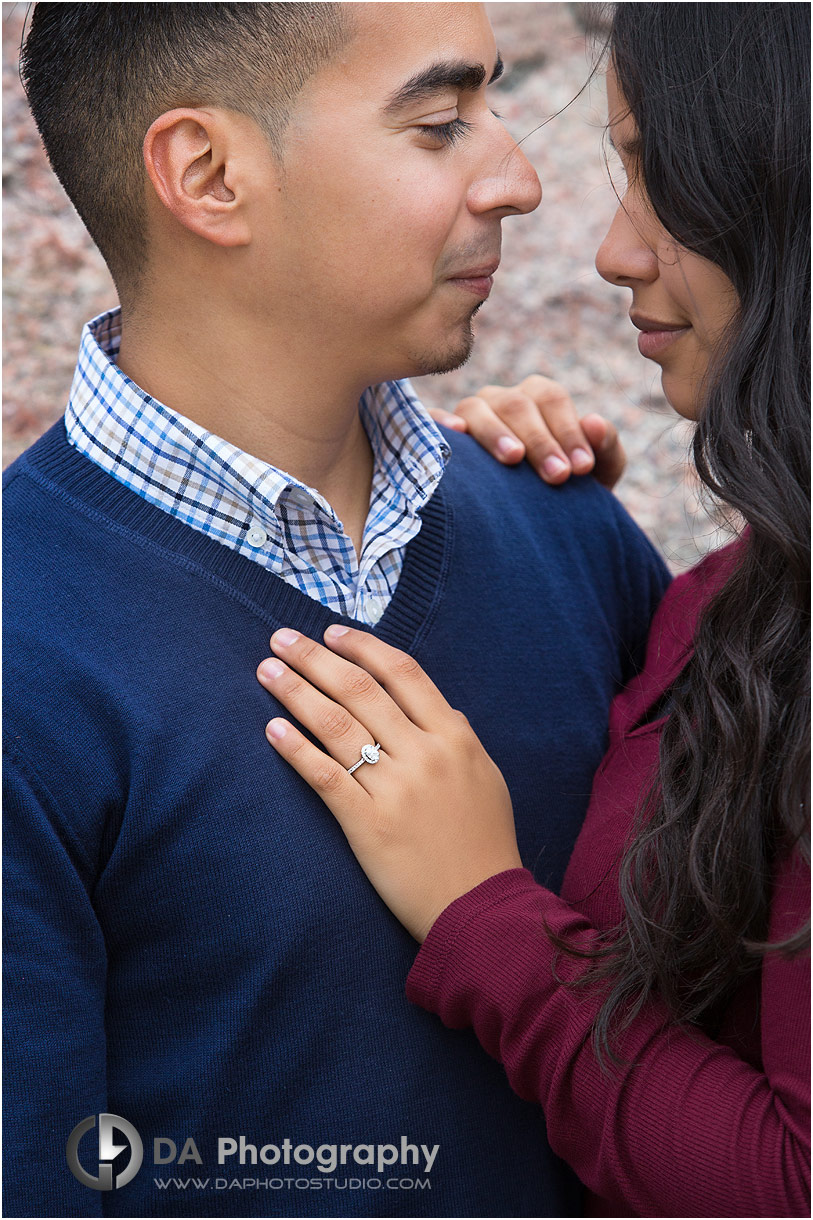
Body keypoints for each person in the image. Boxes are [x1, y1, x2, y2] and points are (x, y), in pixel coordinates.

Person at [3, 4, 671, 1217]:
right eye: (438, 124)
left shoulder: (569, 529)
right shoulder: (21, 653)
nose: (517, 179)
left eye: (496, 108)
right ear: (209, 175)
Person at [254, 4, 810, 1216]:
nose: (610, 250)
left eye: (661, 180)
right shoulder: (707, 583)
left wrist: (483, 911)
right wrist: (562, 543)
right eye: (440, 127)